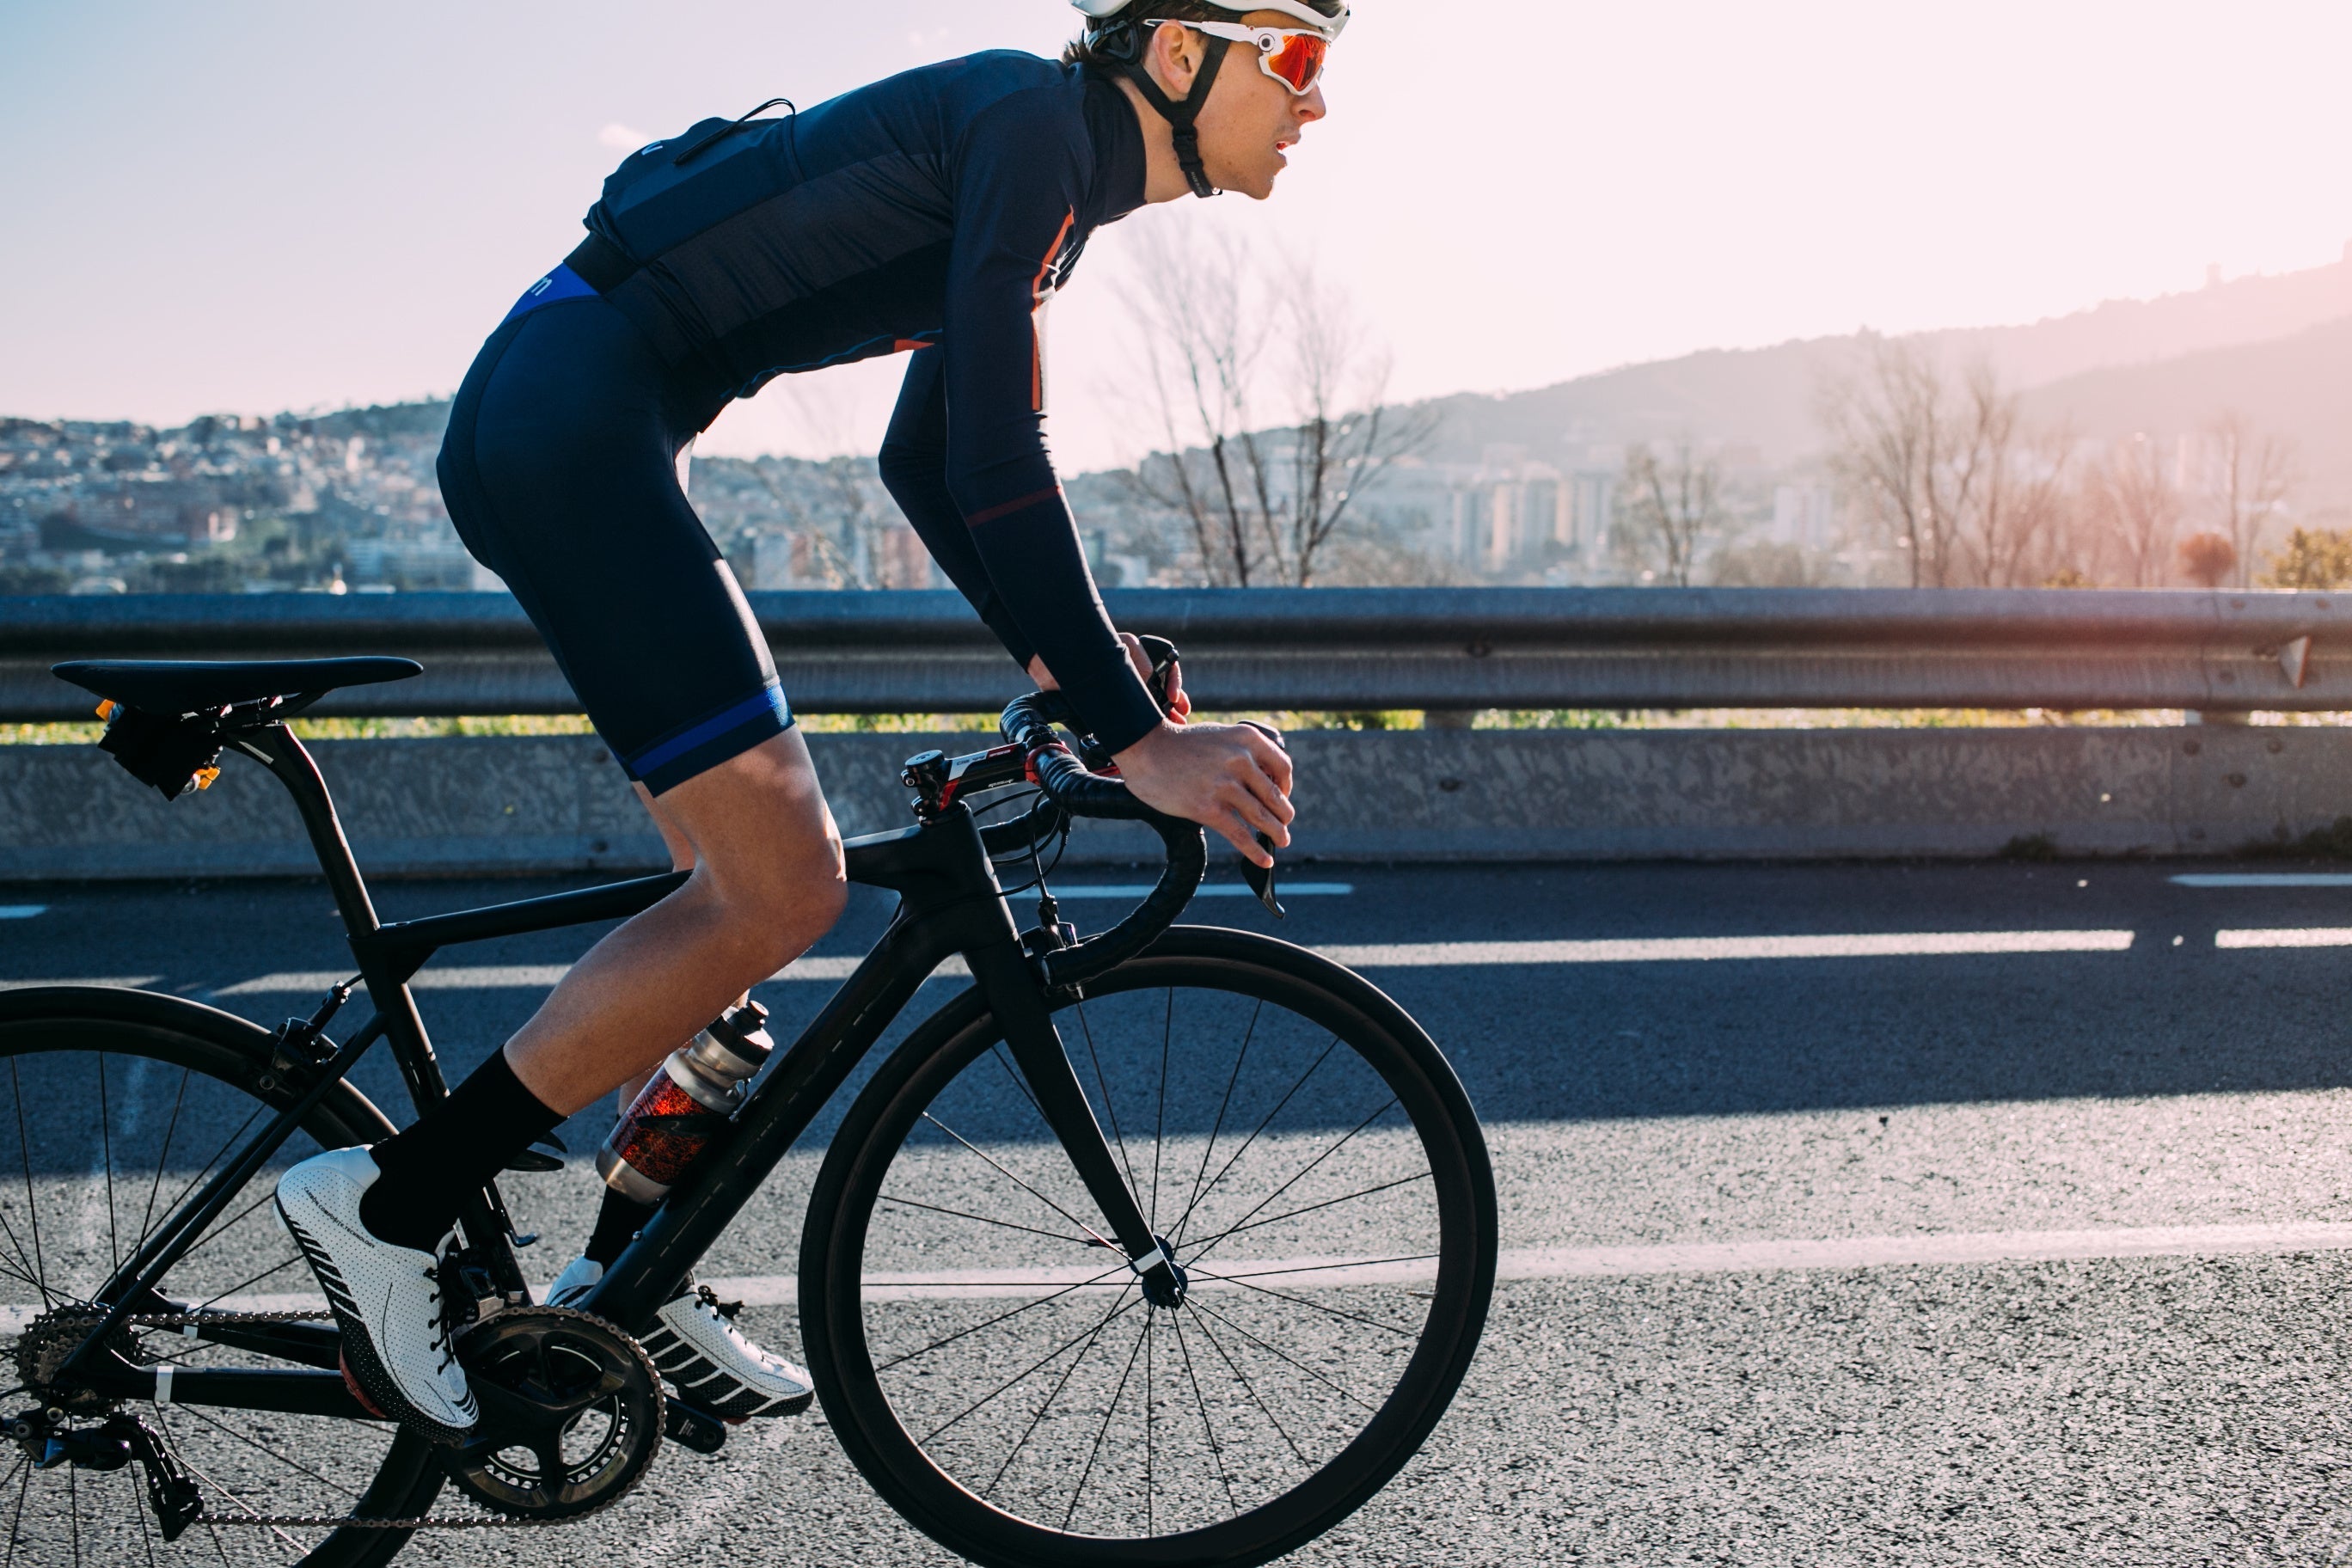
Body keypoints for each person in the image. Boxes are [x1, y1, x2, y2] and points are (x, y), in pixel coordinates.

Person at [273, 0, 1343, 1443]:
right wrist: (1130, 737)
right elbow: (995, 452)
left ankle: (627, 1274)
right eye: (1297, 60)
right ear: (1176, 56)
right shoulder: (1031, 127)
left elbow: (923, 461)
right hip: (573, 421)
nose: (1315, 105)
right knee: (787, 880)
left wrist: (1062, 668)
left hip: (579, 411)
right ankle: (388, 1208)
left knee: (736, 905)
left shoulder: (1048, 179)